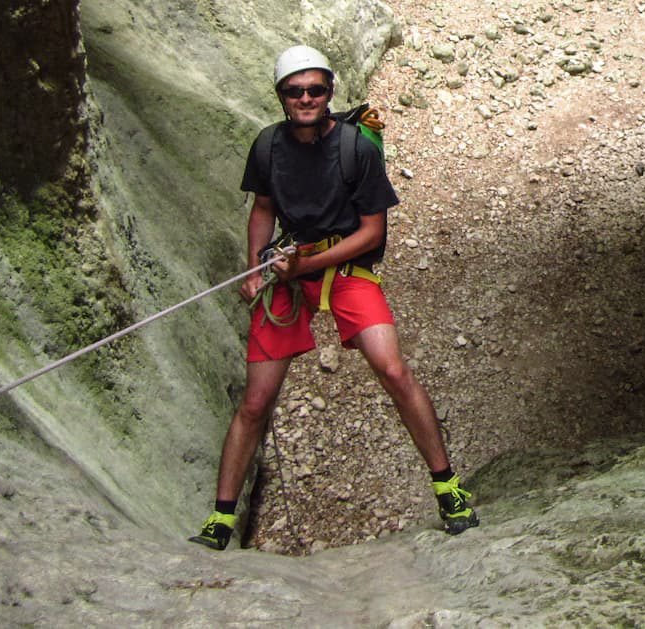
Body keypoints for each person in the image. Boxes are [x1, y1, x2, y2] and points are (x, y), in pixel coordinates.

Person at [189, 45, 477, 550]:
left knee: (392, 369)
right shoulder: (266, 147)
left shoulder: (355, 148)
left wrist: (306, 265)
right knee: (255, 401)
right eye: (295, 91)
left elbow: (370, 233)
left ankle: (448, 488)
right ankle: (221, 519)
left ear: (328, 93)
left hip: (343, 265)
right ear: (281, 96)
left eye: (315, 90)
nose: (305, 98)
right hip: (290, 269)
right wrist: (256, 265)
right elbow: (263, 207)